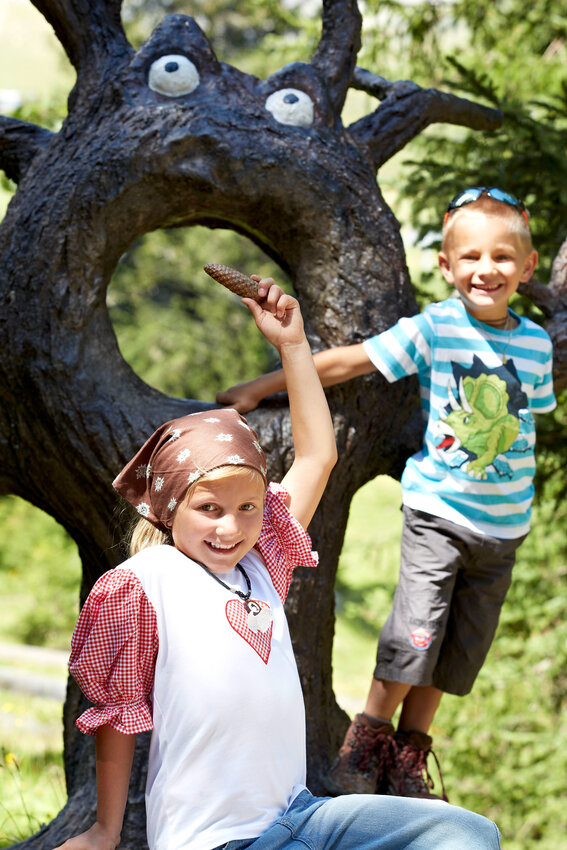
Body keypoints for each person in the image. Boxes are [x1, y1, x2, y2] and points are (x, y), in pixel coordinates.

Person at [54, 279, 501, 850]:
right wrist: (105, 830)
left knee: (466, 832)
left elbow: (317, 455)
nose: (231, 527)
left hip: (299, 817)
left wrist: (292, 345)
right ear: (170, 507)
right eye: (209, 509)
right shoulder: (146, 582)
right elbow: (116, 714)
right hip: (214, 840)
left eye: (248, 508)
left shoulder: (261, 564)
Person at [217, 189, 557, 803]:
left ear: (527, 268)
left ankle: (407, 758)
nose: (487, 269)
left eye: (503, 257)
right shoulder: (438, 327)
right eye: (471, 257)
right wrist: (260, 387)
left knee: (458, 651)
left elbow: (525, 421)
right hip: (440, 514)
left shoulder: (536, 345)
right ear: (446, 266)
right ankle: (364, 744)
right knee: (416, 633)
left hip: (506, 529)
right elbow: (350, 361)